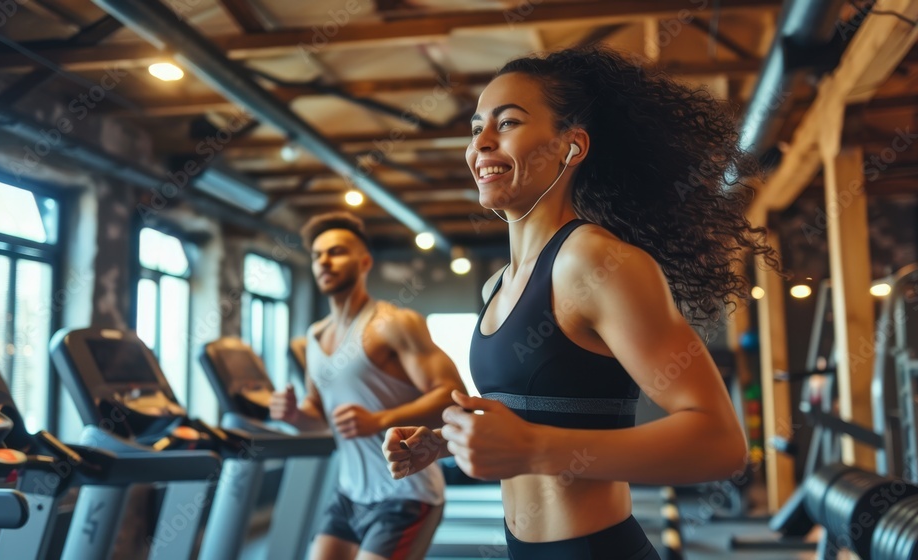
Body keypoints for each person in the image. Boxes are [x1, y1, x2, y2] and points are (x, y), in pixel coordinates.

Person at [382, 46, 780, 559]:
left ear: (571, 147)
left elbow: (720, 444)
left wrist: (531, 449)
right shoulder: (496, 286)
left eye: (507, 123)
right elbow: (537, 409)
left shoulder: (593, 262)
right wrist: (449, 439)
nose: (480, 142)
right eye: (476, 128)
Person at [269, 211, 466, 560]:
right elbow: (320, 416)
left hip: (406, 492)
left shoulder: (394, 324)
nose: (324, 262)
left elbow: (452, 397)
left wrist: (379, 420)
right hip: (349, 494)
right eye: (317, 255)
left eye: (336, 252)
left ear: (364, 262)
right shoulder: (313, 337)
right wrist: (294, 416)